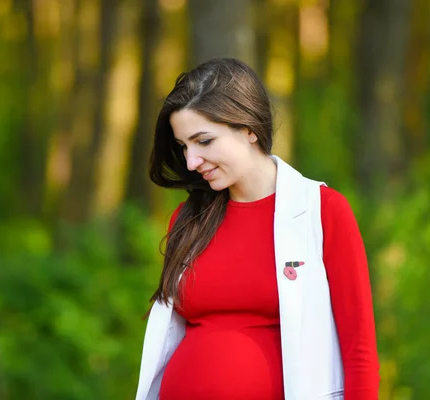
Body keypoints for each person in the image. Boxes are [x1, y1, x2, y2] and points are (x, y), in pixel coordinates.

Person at [135, 57, 379, 400]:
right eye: (183, 146)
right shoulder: (188, 219)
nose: (191, 161)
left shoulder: (322, 211)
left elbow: (360, 351)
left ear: (249, 129)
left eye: (203, 141)